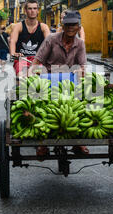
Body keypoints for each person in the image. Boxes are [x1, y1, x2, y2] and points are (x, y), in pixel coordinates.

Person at [29, 10, 88, 157]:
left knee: (80, 105)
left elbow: (82, 67)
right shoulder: (51, 39)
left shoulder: (80, 44)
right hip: (49, 80)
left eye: (74, 25)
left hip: (70, 82)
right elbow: (37, 62)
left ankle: (78, 140)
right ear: (62, 25)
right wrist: (32, 75)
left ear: (79, 27)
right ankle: (42, 143)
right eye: (67, 24)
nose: (70, 28)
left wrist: (81, 74)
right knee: (42, 107)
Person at [9, 0, 50, 76]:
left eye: (35, 8)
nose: (32, 11)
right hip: (22, 59)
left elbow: (49, 43)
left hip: (38, 59)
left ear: (38, 10)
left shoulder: (43, 27)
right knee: (21, 76)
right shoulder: (18, 26)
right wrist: (13, 53)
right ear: (25, 10)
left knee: (40, 76)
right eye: (30, 8)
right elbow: (12, 41)